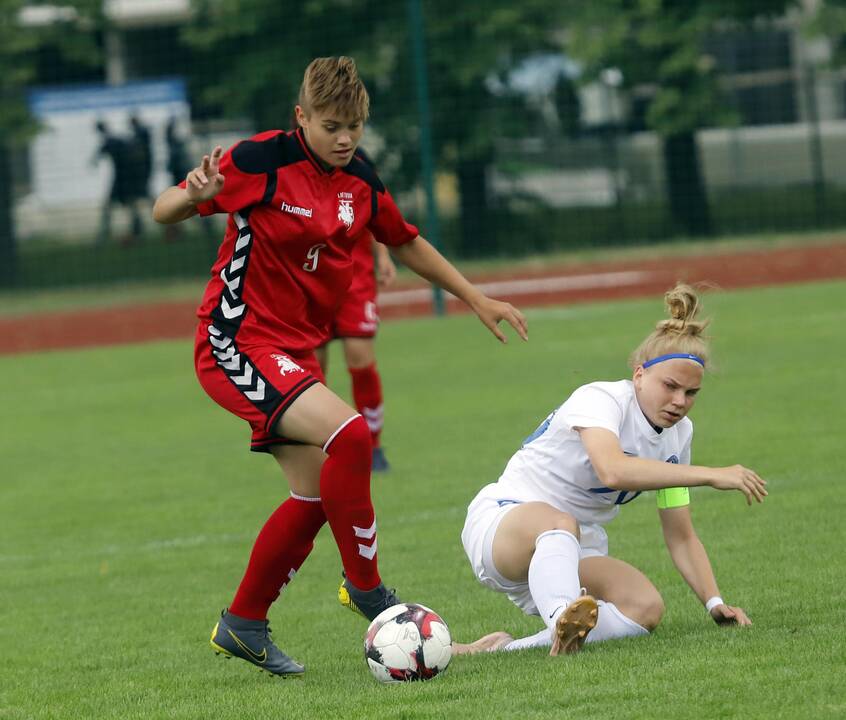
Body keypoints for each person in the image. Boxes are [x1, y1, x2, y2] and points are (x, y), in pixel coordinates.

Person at [152, 56, 527, 677]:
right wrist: (192, 194)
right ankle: (369, 590)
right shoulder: (261, 161)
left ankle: (243, 623)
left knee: (316, 492)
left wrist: (474, 296)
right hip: (235, 340)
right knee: (351, 436)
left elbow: (404, 240)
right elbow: (164, 209)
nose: (345, 137)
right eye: (331, 125)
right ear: (302, 118)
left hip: (289, 351)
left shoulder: (361, 178)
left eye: (354, 125)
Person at [453, 284, 766, 658]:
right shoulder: (601, 400)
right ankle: (561, 621)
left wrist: (715, 602)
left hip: (569, 554)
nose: (680, 401)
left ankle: (498, 650)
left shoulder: (679, 436)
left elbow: (680, 534)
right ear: (638, 375)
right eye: (669, 386)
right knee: (559, 522)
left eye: (691, 392)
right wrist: (711, 474)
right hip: (503, 526)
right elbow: (612, 471)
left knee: (645, 607)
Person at [314, 228, 395, 472]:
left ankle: (374, 445)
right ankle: (320, 445)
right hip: (312, 282)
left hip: (356, 280)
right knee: (313, 373)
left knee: (362, 363)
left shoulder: (360, 187)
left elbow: (377, 214)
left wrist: (382, 255)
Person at [92, 119, 141, 244]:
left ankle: (106, 234)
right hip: (125, 178)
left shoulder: (110, 141)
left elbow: (98, 156)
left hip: (120, 179)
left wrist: (94, 161)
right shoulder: (117, 139)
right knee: (129, 205)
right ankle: (137, 229)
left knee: (114, 206)